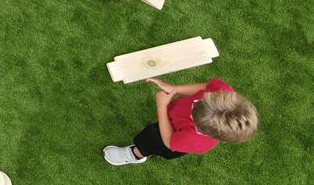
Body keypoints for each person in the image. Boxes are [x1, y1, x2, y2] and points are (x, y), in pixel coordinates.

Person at [103, 77, 258, 165]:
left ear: (204, 130)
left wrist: (161, 107)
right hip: (173, 117)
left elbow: (168, 141)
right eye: (198, 103)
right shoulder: (222, 93)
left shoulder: (193, 140)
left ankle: (135, 155)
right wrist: (175, 89)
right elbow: (205, 86)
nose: (192, 107)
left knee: (149, 140)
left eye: (193, 116)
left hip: (167, 138)